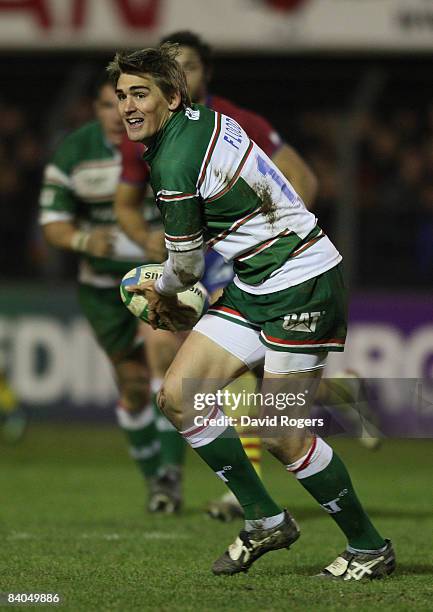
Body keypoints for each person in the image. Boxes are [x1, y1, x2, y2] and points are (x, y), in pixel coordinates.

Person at [107, 45, 396, 580]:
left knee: (281, 433)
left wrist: (155, 287)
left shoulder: (174, 159)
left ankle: (368, 545)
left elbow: (187, 267)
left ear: (172, 97)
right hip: (256, 281)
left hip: (302, 285)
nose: (127, 105)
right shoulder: (206, 119)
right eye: (122, 95)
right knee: (178, 396)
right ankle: (265, 518)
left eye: (140, 94)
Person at [115, 30, 319, 520]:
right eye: (123, 95)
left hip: (243, 257)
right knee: (174, 360)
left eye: (190, 65)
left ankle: (248, 494)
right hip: (189, 249)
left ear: (201, 75)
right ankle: (175, 473)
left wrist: (271, 243)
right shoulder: (140, 131)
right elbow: (125, 207)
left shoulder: (235, 121)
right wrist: (147, 239)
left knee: (253, 382)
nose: (180, 74)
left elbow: (305, 181)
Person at [39, 76, 182, 513]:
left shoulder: (161, 143)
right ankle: (154, 477)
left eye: (128, 99)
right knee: (134, 385)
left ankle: (172, 476)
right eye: (109, 103)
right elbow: (53, 222)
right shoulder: (73, 153)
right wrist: (84, 242)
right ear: (95, 108)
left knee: (163, 360)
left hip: (156, 280)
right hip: (102, 288)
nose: (118, 111)